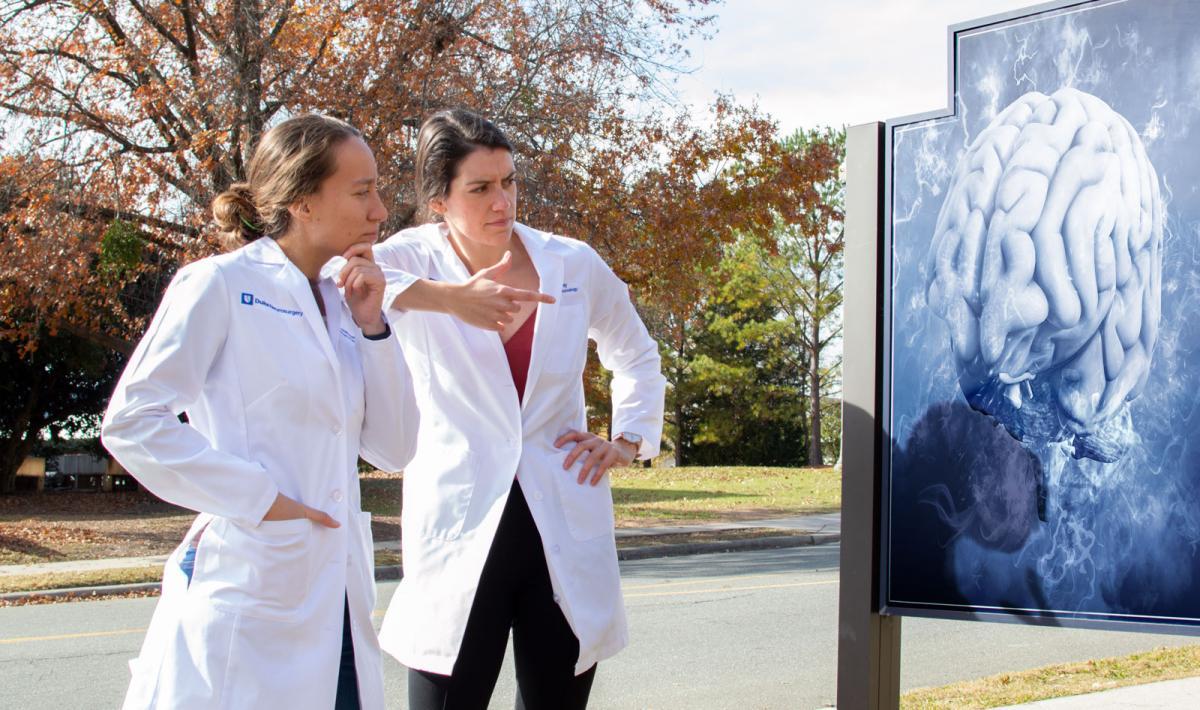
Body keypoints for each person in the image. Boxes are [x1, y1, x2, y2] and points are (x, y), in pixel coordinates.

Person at [101, 114, 418, 710]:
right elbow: (132, 420)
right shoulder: (218, 284)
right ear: (302, 201)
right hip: (252, 578)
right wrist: (260, 499)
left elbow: (396, 447)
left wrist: (375, 328)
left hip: (337, 597)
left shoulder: (344, 297)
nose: (380, 210)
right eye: (362, 191)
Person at [370, 109, 666, 709]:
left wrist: (628, 439)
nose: (501, 201)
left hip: (557, 510)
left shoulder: (572, 262)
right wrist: (452, 299)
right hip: (461, 518)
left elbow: (635, 350)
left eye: (508, 182)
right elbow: (338, 275)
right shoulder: (408, 259)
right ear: (438, 201)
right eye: (479, 188)